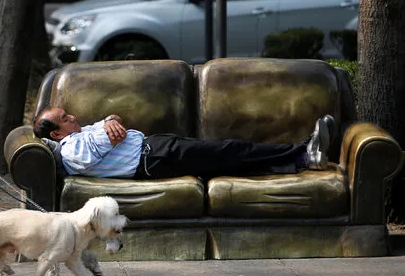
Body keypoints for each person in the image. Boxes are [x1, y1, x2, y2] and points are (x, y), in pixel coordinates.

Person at [32, 108, 335, 181]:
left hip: (155, 148)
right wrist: (108, 126)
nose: (73, 116)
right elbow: (112, 134)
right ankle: (304, 151)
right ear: (57, 134)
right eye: (65, 118)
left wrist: (109, 120)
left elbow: (111, 127)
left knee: (227, 158)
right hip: (152, 160)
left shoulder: (80, 136)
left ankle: (300, 161)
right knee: (230, 150)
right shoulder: (71, 150)